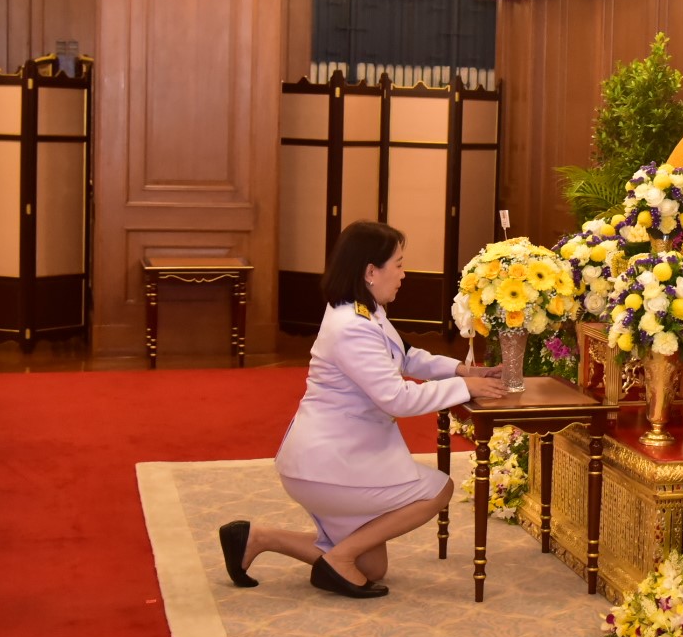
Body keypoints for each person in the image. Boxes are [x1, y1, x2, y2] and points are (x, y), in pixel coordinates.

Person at [218, 220, 509, 599]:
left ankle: (258, 538)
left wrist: (461, 371)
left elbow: (405, 356)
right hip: (328, 465)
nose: (404, 274)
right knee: (438, 489)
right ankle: (338, 559)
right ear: (371, 271)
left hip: (336, 460)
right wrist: (463, 389)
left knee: (371, 567)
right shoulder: (351, 326)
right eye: (398, 264)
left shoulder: (362, 311)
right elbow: (396, 398)